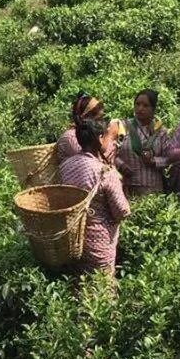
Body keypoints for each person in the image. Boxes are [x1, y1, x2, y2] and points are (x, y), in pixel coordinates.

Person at [56, 117, 132, 281]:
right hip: (99, 242)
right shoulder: (104, 171)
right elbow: (122, 211)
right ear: (100, 138)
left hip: (71, 240)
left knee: (77, 287)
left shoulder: (65, 165)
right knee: (101, 291)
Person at [115, 89, 171, 199]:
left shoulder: (160, 131)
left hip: (153, 189)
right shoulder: (123, 126)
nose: (140, 108)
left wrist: (154, 161)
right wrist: (121, 165)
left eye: (146, 105)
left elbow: (168, 158)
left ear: (153, 109)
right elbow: (110, 153)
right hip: (126, 188)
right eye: (137, 104)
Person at [56, 91, 105, 162]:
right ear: (87, 117)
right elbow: (86, 161)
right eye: (98, 119)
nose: (100, 123)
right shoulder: (71, 138)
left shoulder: (91, 134)